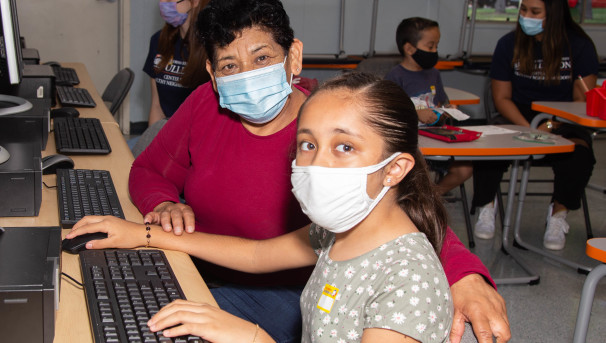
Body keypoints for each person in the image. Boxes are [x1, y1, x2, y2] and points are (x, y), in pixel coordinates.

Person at [71, 1, 511, 342]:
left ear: (293, 56)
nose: (246, 76)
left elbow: (402, 209)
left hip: (295, 292)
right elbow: (151, 171)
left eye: (262, 58)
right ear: (211, 73)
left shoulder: (329, 122)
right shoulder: (206, 104)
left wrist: (463, 273)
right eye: (229, 66)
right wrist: (160, 208)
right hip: (208, 259)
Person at [70, 71, 456, 343]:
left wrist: (251, 336)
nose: (317, 163)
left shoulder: (406, 281)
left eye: (344, 147)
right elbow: (256, 255)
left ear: (395, 169)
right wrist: (145, 235)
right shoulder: (340, 230)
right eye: (308, 144)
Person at [471, 0, 598, 250]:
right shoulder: (508, 45)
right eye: (523, 9)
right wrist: (529, 127)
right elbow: (501, 98)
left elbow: (581, 100)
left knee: (580, 154)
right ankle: (486, 206)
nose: (526, 16)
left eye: (534, 12)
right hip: (516, 116)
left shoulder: (580, 47)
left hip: (562, 119)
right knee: (485, 146)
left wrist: (549, 125)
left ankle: (557, 215)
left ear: (554, 14)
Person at [385, 17, 472, 196]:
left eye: (436, 46)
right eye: (430, 46)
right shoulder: (395, 76)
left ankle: (430, 197)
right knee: (415, 174)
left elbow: (441, 102)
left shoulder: (434, 74)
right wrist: (416, 113)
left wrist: (449, 109)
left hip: (437, 137)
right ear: (409, 49)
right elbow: (390, 112)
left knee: (465, 169)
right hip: (410, 145)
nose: (434, 51)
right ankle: (417, 199)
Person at [130, 0, 210, 156]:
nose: (164, 3)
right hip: (165, 136)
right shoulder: (158, 41)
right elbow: (156, 106)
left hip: (195, 143)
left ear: (195, 3)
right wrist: (152, 147)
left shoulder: (211, 47)